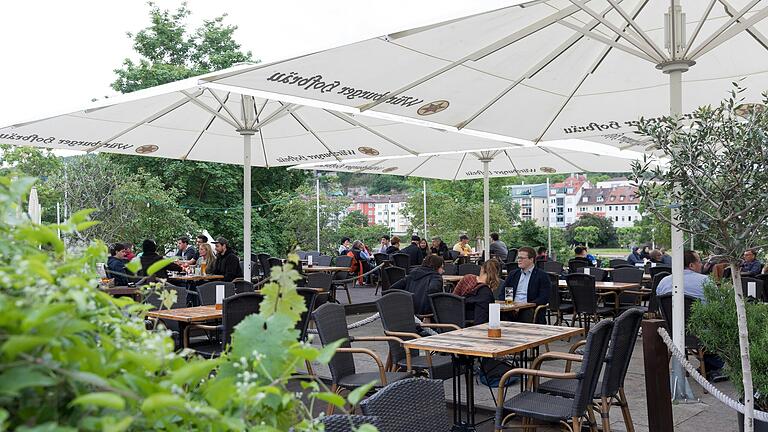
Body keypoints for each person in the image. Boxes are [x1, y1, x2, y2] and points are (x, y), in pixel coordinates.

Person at [655, 250, 726, 381]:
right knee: (726, 325)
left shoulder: (663, 282)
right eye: (699, 261)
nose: (702, 264)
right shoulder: (706, 282)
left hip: (671, 332)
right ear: (692, 265)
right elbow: (719, 306)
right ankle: (714, 367)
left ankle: (710, 367)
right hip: (700, 333)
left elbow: (659, 308)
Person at [499, 246, 550, 323]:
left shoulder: (542, 276)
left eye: (522, 258)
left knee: (526, 313)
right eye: (518, 258)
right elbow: (504, 292)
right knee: (495, 312)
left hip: (530, 308)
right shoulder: (513, 274)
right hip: (511, 307)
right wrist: (510, 305)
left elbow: (544, 298)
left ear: (531, 259)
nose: (519, 260)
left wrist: (524, 306)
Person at [453, 259, 500, 324]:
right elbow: (482, 319)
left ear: (482, 269)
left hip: (455, 319)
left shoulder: (467, 278)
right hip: (474, 324)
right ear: (496, 274)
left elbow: (453, 298)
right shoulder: (485, 293)